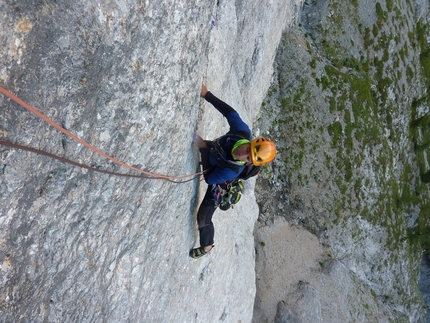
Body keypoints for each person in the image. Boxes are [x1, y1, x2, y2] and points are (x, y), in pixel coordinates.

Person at [190, 84, 277, 259]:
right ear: (250, 142)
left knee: (203, 218)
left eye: (247, 158)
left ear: (248, 163)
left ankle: (207, 246)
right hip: (217, 154)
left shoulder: (231, 170)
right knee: (204, 144)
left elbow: (209, 178)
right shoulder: (242, 132)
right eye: (247, 149)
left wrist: (203, 150)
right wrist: (207, 95)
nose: (242, 154)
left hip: (219, 181)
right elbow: (230, 113)